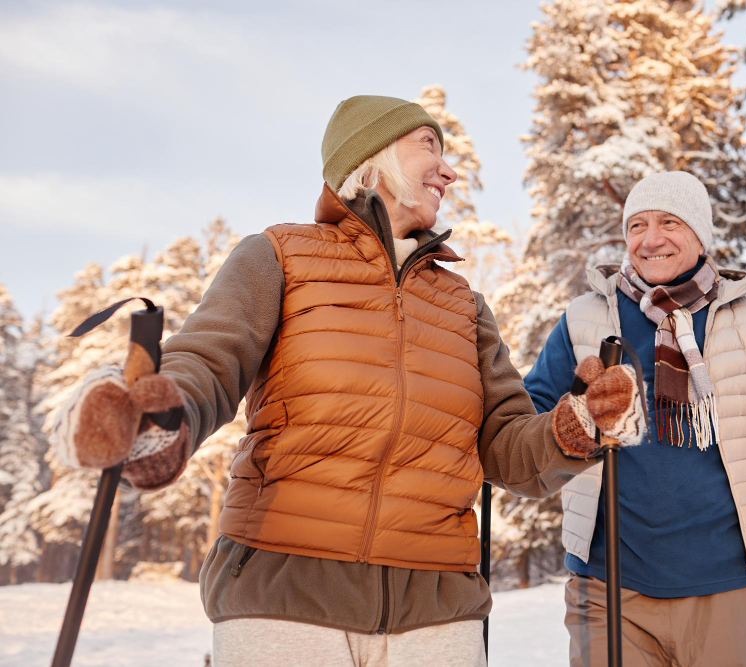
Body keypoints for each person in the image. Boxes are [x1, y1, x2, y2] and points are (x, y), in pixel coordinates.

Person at [51, 95, 646, 667]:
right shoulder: (280, 256)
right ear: (375, 156)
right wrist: (158, 415)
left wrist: (579, 424)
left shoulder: (462, 304)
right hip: (285, 596)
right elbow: (206, 362)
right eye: (429, 145)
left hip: (436, 608)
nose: (451, 170)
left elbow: (509, 448)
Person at [523, 171, 746, 667]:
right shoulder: (586, 320)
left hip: (734, 586)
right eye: (637, 226)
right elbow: (526, 432)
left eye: (669, 222)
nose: (650, 239)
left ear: (700, 235)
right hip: (608, 589)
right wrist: (574, 418)